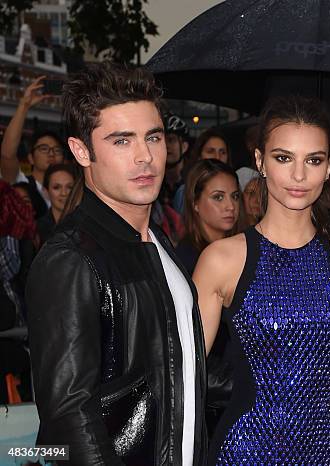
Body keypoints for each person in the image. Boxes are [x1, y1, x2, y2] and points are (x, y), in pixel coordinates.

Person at [26, 62, 207, 465]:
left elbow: (176, 368)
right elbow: (68, 417)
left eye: (153, 137)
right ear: (81, 150)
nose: (145, 157)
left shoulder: (157, 240)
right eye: (122, 141)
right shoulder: (70, 260)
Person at [194, 95, 330, 465]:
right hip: (243, 453)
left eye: (313, 160)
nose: (299, 176)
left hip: (326, 454)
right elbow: (184, 378)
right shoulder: (222, 260)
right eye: (284, 158)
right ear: (259, 161)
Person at [0, 76, 65, 219]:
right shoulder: (21, 183)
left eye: (57, 149)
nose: (51, 154)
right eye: (44, 148)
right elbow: (7, 154)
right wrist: (24, 105)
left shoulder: (71, 188)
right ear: (31, 157)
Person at [176, 158, 243, 275]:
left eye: (235, 196)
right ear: (195, 203)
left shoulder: (244, 247)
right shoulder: (187, 259)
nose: (231, 206)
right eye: (218, 197)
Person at [36, 164, 76, 246]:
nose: (64, 193)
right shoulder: (37, 229)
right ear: (46, 192)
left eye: (69, 187)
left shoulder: (87, 224)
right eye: (56, 187)